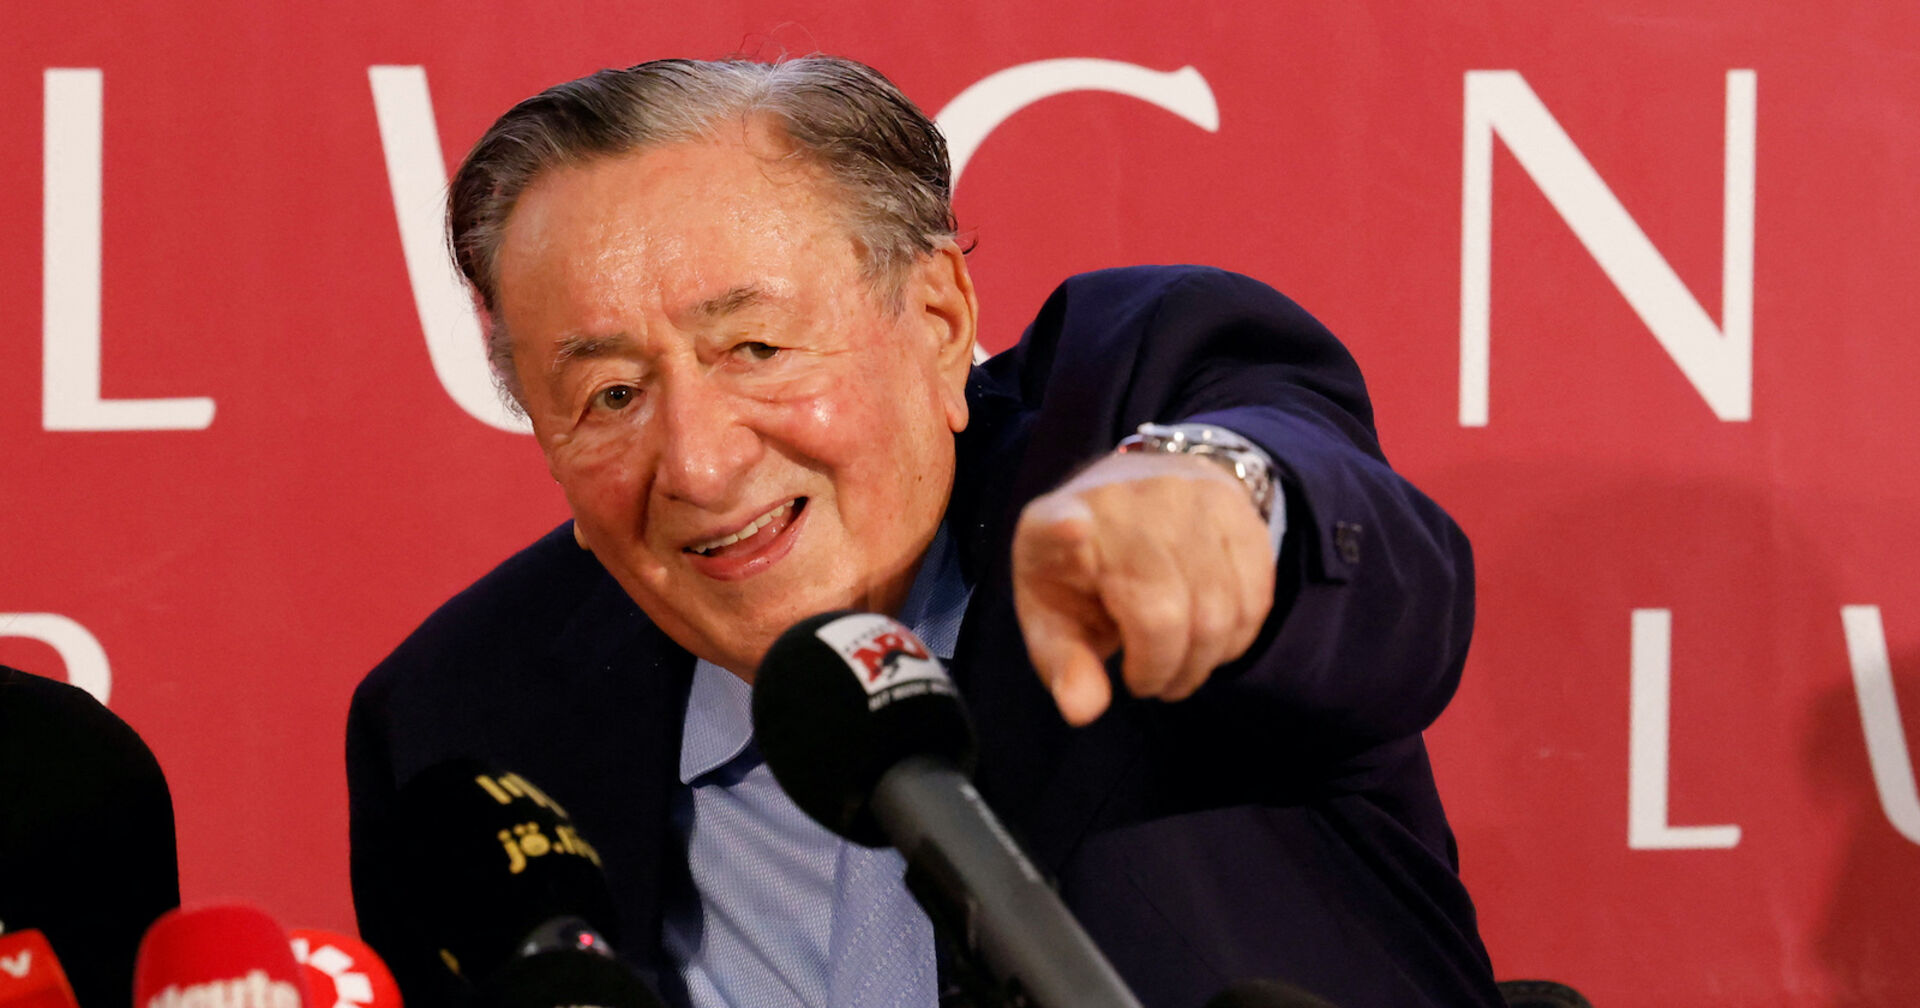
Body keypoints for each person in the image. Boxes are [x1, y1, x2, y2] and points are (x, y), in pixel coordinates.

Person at [347, 56, 1501, 1008]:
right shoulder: (465, 725)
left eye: (755, 349)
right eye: (609, 397)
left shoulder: (1124, 417)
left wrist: (1222, 511)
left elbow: (1386, 585)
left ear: (941, 319)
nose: (698, 462)